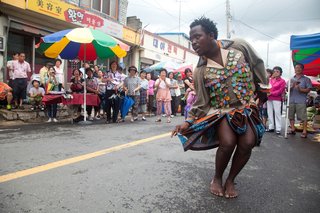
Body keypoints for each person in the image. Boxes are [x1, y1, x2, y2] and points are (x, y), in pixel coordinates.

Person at [172, 17, 267, 198]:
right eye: (191, 39)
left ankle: (231, 179)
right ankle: (217, 177)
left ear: (211, 35)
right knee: (228, 143)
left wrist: (263, 87)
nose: (193, 42)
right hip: (222, 112)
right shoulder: (200, 70)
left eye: (197, 37)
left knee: (247, 143)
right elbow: (201, 101)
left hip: (247, 107)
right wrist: (189, 121)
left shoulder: (239, 46)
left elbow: (257, 64)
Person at [288, 63, 312, 138]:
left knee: (303, 117)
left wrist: (300, 89)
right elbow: (287, 89)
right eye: (296, 67)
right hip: (291, 100)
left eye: (299, 68)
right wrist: (292, 86)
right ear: (294, 69)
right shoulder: (291, 79)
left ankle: (304, 131)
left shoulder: (306, 79)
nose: (297, 69)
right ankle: (292, 129)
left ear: (302, 69)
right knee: (291, 116)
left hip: (301, 101)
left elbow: (308, 90)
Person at [266, 66, 286, 134]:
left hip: (277, 98)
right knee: (269, 112)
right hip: (269, 98)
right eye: (274, 71)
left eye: (277, 71)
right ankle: (271, 127)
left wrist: (271, 93)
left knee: (277, 113)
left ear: (280, 73)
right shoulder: (270, 80)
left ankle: (278, 128)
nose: (276, 73)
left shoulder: (282, 81)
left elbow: (280, 91)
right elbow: (267, 87)